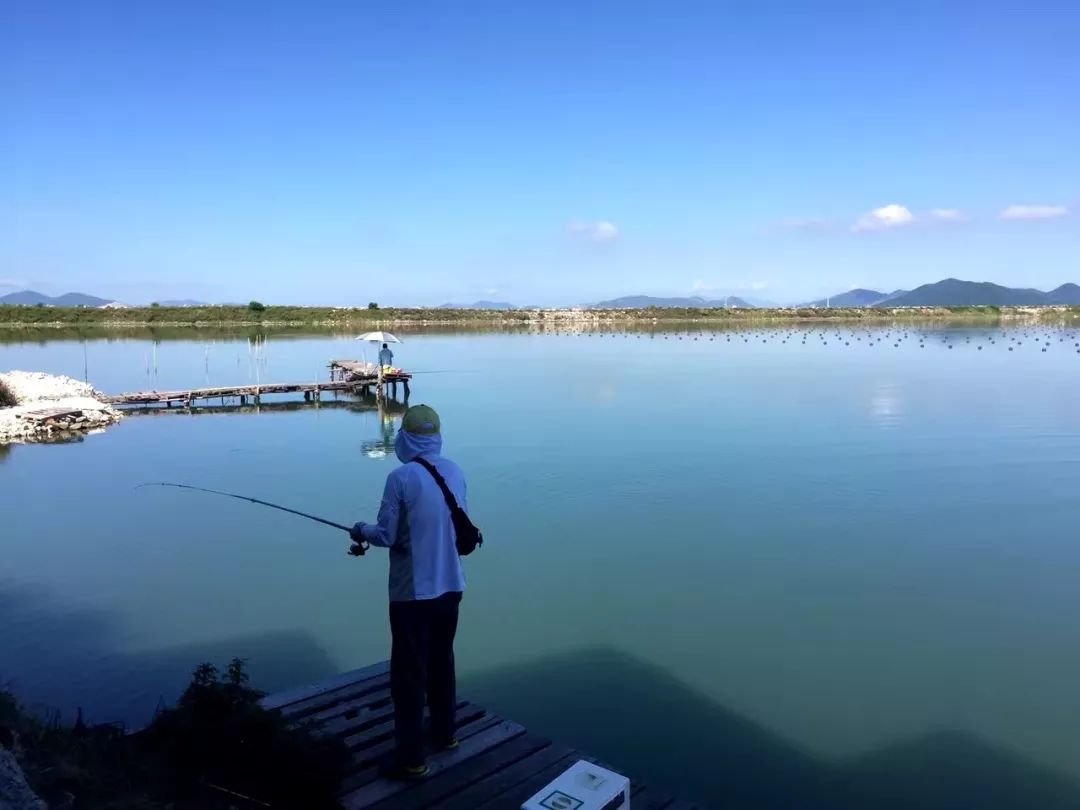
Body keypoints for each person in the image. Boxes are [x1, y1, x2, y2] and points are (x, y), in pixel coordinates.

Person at [349, 404, 467, 779]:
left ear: (406, 436)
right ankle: (445, 735)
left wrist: (360, 529)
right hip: (452, 588)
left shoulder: (400, 478)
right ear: (436, 436)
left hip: (413, 596)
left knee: (408, 675)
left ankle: (412, 758)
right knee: (442, 662)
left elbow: (385, 534)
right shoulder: (455, 471)